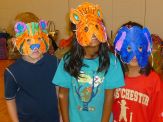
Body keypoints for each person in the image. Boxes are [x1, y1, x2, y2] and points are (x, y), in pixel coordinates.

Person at [52, 2, 124, 122]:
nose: (93, 33)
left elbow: (109, 97)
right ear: (76, 34)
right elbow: (62, 94)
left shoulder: (112, 62)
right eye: (86, 29)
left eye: (96, 27)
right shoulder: (68, 60)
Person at [4, 20, 59, 122]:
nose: (35, 45)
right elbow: (10, 100)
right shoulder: (12, 72)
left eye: (38, 38)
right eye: (28, 40)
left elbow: (59, 91)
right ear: (16, 42)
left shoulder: (55, 63)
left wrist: (61, 117)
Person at [112, 23, 161, 122]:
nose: (134, 55)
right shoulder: (114, 77)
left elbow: (157, 115)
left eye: (140, 48)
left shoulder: (153, 80)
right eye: (129, 48)